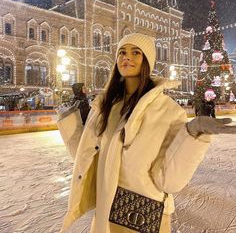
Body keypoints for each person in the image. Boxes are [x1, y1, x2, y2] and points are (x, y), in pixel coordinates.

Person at [57, 33, 236, 233]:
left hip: (145, 217)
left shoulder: (167, 110)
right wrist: (69, 121)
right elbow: (87, 158)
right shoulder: (105, 106)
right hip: (108, 214)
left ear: (147, 60)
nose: (127, 57)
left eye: (136, 53)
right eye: (122, 52)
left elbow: (168, 180)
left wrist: (193, 135)